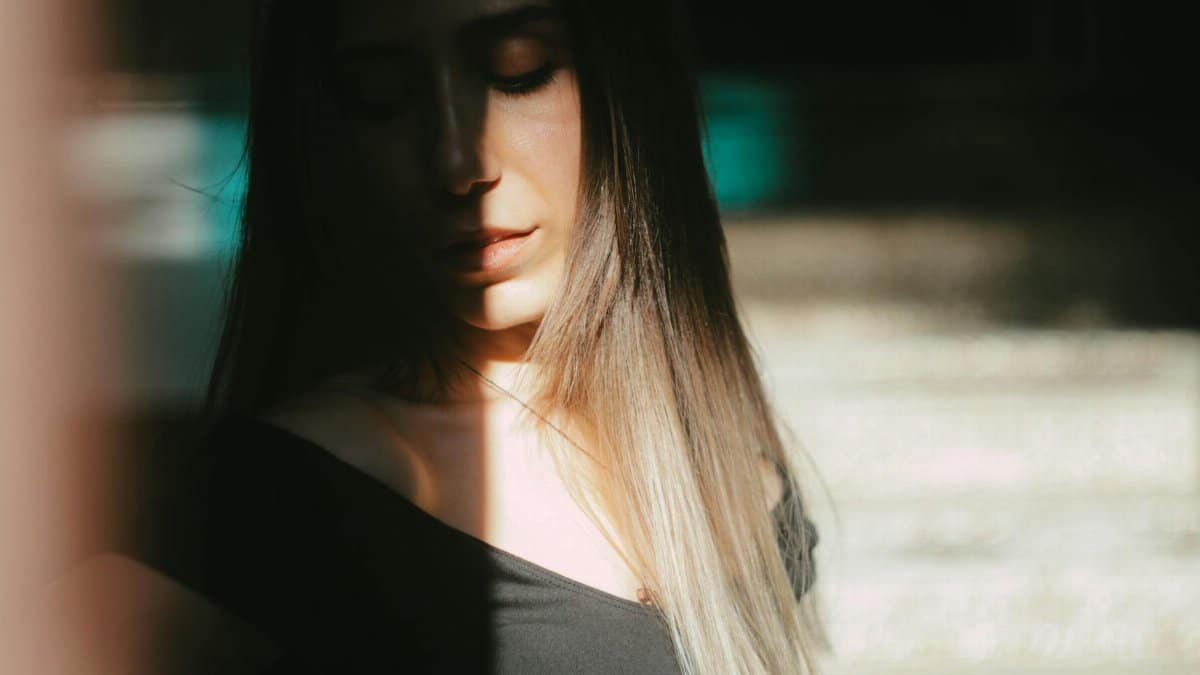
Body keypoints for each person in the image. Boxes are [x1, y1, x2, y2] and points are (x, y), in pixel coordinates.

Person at [150, 0, 826, 672]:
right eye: (382, 96)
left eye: (518, 72)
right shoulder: (312, 483)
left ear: (631, 86)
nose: (457, 161)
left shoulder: (735, 458)